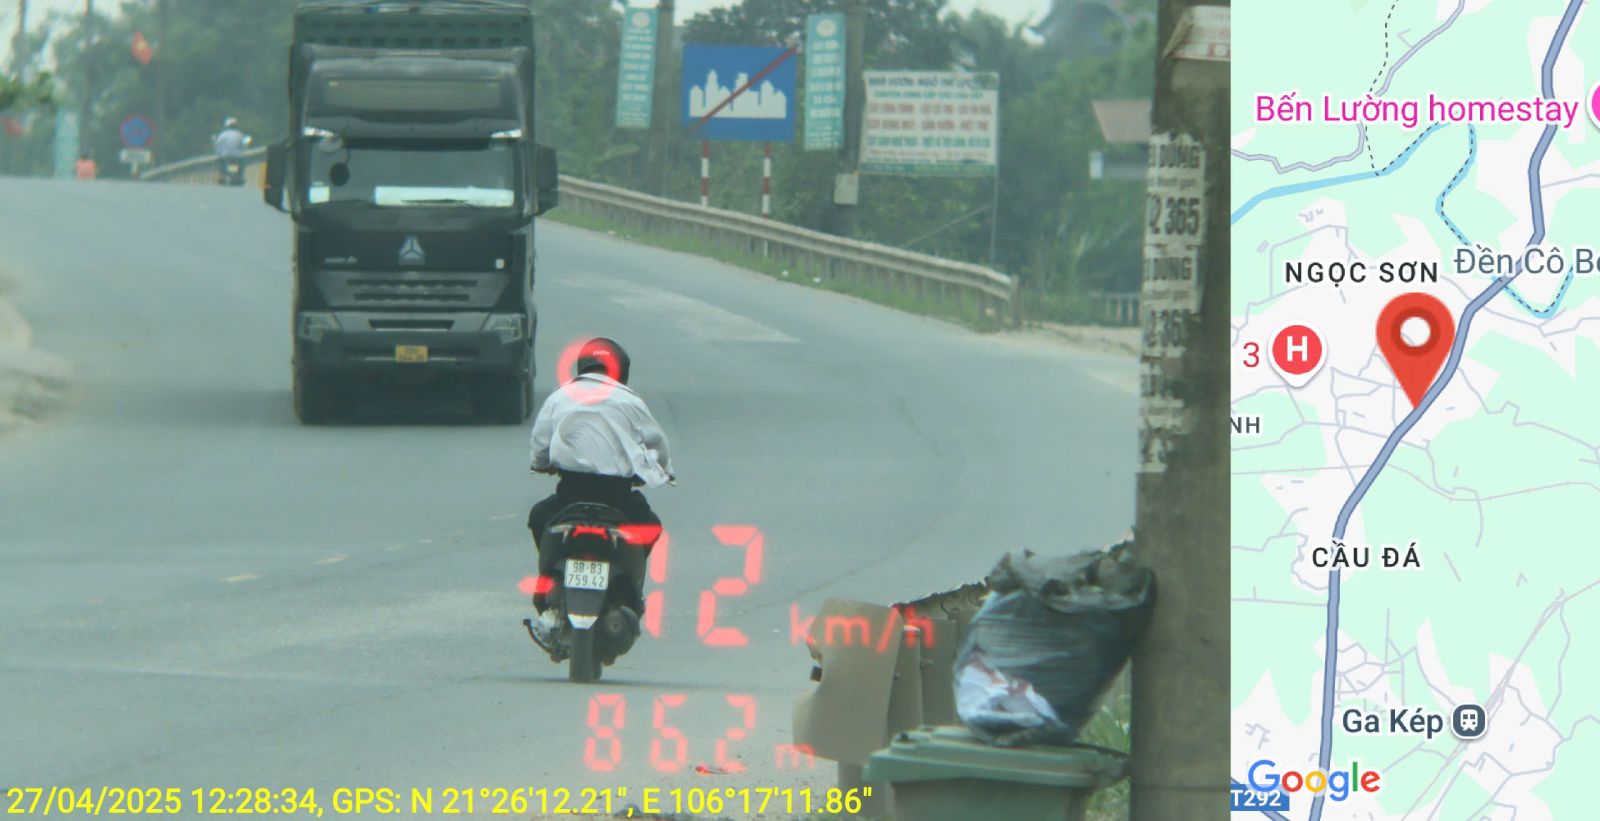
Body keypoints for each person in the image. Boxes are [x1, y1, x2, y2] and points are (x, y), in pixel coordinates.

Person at [527, 337, 672, 617]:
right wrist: (662, 471)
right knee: (650, 526)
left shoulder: (560, 396)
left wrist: (541, 463)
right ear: (621, 370)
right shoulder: (630, 400)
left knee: (539, 518)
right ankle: (631, 590)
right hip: (617, 498)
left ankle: (547, 582)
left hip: (570, 497)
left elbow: (540, 446)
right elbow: (656, 444)